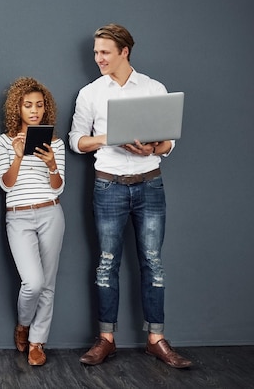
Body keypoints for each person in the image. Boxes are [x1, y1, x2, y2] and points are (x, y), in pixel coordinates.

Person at [69, 23, 192, 369]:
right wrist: (109, 137)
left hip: (149, 184)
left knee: (153, 261)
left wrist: (153, 146)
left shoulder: (154, 87)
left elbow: (169, 141)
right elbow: (76, 140)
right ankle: (106, 339)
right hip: (108, 186)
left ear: (125, 52)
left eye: (104, 52)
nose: (98, 58)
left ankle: (156, 339)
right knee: (107, 263)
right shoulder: (90, 93)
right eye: (95, 52)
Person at [0, 77, 65, 366]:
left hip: (51, 212)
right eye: (27, 105)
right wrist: (18, 157)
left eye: (39, 105)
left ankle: (37, 341)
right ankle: (23, 324)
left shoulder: (55, 143)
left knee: (48, 284)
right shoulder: (2, 142)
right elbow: (6, 185)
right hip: (18, 216)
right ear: (18, 109)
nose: (34, 110)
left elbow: (59, 187)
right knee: (32, 282)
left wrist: (51, 165)